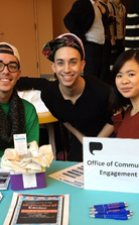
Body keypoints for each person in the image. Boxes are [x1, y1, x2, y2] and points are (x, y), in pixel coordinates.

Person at [41, 33, 114, 161]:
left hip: (109, 136)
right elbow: (63, 119)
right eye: (60, 63)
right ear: (53, 66)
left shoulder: (101, 91)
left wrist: (95, 144)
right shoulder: (48, 95)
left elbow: (115, 118)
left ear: (82, 65)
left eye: (73, 62)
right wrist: (82, 139)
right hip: (81, 137)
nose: (67, 69)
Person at [64, 0, 105, 78]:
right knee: (91, 73)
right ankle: (90, 92)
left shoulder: (96, 5)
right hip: (90, 44)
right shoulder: (81, 4)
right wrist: (81, 37)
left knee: (98, 73)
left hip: (99, 44)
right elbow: (68, 20)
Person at [98, 0, 115, 83]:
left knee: (107, 64)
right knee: (104, 65)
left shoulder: (106, 5)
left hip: (107, 38)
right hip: (102, 39)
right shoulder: (98, 5)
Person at [108, 0, 126, 65]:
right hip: (114, 39)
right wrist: (112, 40)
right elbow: (110, 24)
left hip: (121, 38)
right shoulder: (109, 6)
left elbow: (123, 22)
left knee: (121, 62)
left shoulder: (123, 7)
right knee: (113, 63)